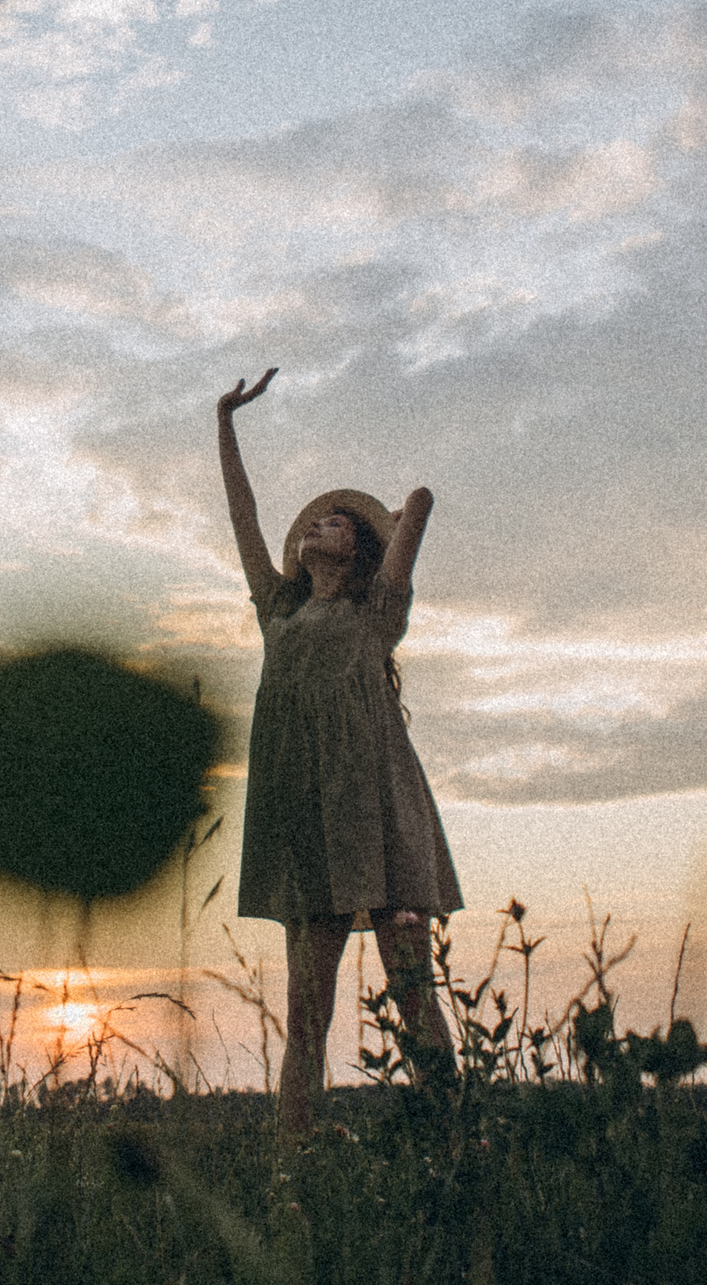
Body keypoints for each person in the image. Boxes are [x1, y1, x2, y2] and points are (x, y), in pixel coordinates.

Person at [217, 366, 461, 1131]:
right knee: (305, 1013)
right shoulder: (279, 614)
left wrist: (385, 522)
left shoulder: (377, 612)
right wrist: (225, 421)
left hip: (381, 812)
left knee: (413, 989)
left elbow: (420, 503)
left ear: (357, 553)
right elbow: (245, 517)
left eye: (336, 521)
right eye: (315, 520)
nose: (318, 520)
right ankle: (295, 1164)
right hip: (307, 822)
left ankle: (451, 1138)